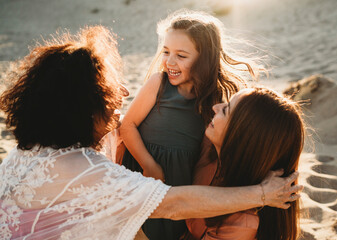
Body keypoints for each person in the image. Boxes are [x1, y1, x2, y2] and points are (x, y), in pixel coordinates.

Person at [0, 26, 302, 240]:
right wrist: (263, 193)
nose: (126, 91)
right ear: (84, 109)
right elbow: (173, 205)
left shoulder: (34, 147)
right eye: (109, 91)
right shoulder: (85, 171)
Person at [120, 10, 259, 239]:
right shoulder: (159, 84)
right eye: (166, 52)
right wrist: (149, 165)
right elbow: (128, 125)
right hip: (144, 175)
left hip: (182, 186)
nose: (169, 62)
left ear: (204, 58)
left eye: (181, 56)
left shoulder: (214, 101)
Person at [185, 88, 305, 240]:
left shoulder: (242, 222)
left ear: (240, 137)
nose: (216, 107)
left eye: (226, 110)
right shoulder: (210, 148)